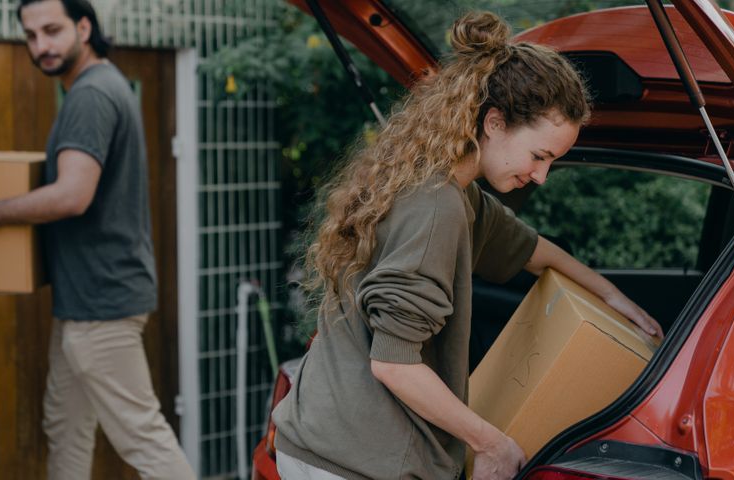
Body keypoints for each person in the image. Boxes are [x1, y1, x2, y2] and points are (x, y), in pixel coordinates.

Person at [272, 11, 664, 480]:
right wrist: (491, 443)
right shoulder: (435, 209)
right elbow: (394, 366)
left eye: (552, 162)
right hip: (352, 464)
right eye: (539, 156)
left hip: (321, 437)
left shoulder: (451, 190)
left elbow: (533, 250)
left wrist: (613, 296)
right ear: (495, 123)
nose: (540, 176)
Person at [0, 1, 196, 479]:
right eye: (31, 35)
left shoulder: (90, 95)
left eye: (51, 30)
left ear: (84, 27)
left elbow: (72, 195)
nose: (40, 45)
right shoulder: (100, 86)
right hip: (83, 305)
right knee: (65, 428)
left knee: (143, 439)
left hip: (101, 308)